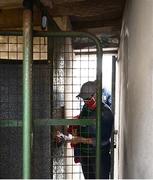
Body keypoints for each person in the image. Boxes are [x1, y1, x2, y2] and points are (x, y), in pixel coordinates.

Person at [56, 81, 114, 179]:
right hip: (85, 156)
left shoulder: (106, 113)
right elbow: (82, 125)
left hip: (99, 157)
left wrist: (78, 139)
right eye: (83, 99)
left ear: (96, 95)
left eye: (87, 99)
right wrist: (70, 133)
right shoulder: (85, 108)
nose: (85, 102)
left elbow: (102, 140)